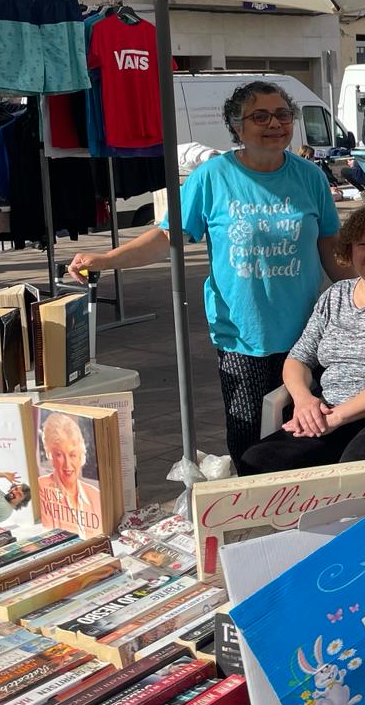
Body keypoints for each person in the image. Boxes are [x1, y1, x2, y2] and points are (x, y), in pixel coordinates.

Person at [68, 79, 344, 463]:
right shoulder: (213, 177)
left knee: (305, 430)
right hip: (241, 333)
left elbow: (330, 246)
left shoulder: (310, 177)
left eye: (282, 114)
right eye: (260, 116)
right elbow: (167, 238)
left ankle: (296, 510)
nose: (274, 124)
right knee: (248, 436)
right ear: (237, 126)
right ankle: (254, 510)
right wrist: (106, 259)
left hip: (304, 329)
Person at [240, 206, 365, 473]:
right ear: (350, 249)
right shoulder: (334, 296)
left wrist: (338, 416)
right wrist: (303, 401)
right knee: (257, 461)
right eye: (364, 244)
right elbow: (299, 358)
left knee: (357, 467)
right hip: (330, 411)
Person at [38, 411, 102, 529]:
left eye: (72, 455)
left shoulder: (96, 495)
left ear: (81, 456)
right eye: (59, 455)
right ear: (50, 455)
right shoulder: (41, 487)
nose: (67, 465)